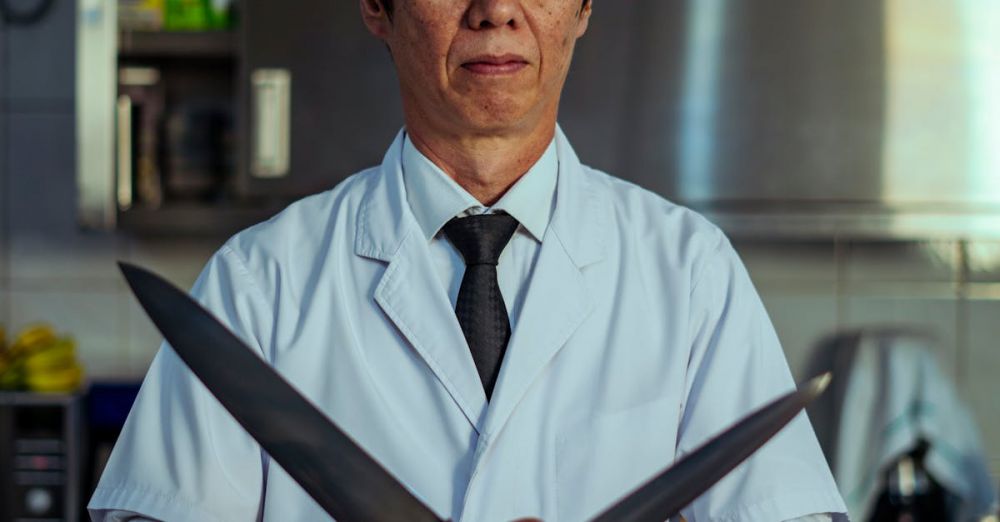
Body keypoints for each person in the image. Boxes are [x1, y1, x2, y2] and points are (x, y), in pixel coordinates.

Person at [89, 1, 848, 520]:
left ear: (584, 7)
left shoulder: (689, 274)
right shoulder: (259, 285)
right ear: (377, 7)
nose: (496, 8)